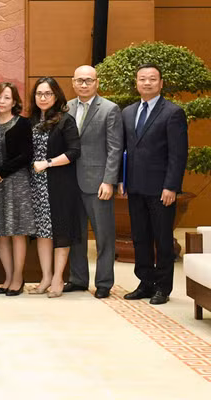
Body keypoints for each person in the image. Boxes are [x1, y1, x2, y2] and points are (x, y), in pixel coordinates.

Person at [120, 63, 188, 305]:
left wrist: (171, 186)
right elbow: (124, 150)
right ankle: (145, 282)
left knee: (162, 239)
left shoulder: (173, 112)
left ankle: (163, 287)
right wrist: (122, 179)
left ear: (161, 83)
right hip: (135, 187)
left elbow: (178, 154)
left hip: (161, 190)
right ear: (136, 83)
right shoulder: (127, 112)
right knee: (140, 237)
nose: (146, 83)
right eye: (142, 79)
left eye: (152, 79)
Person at [65, 66, 123, 299]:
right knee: (75, 234)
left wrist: (109, 181)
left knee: (104, 236)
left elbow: (115, 148)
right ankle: (78, 279)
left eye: (89, 80)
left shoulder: (109, 109)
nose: (84, 84)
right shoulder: (65, 107)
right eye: (79, 80)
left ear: (97, 83)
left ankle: (104, 282)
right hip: (70, 183)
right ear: (73, 82)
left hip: (98, 183)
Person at [28, 77, 82, 298]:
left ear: (57, 96)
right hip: (35, 185)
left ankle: (59, 278)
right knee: (43, 232)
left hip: (59, 183)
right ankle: (46, 277)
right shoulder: (31, 121)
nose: (43, 98)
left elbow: (73, 151)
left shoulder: (65, 121)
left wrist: (48, 163)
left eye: (47, 94)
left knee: (60, 231)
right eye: (39, 94)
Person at [0, 82, 35, 297]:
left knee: (17, 231)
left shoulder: (23, 123)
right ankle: (7, 276)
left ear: (14, 101)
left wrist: (1, 172)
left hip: (17, 182)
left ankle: (18, 278)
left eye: (6, 98)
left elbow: (26, 155)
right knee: (1, 233)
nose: (1, 101)